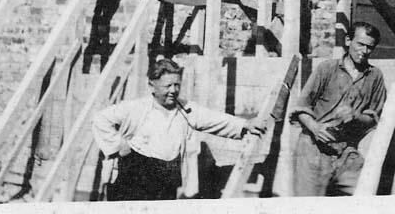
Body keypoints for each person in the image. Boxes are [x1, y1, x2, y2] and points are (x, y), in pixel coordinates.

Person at [92, 58, 265, 201]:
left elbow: (213, 119)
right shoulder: (135, 108)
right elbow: (100, 119)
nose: (173, 91)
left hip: (167, 180)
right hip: (135, 177)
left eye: (177, 85)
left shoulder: (186, 110)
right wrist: (119, 145)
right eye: (168, 86)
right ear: (152, 86)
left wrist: (244, 125)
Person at [291, 22, 387, 196]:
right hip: (313, 149)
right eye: (360, 44)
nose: (364, 51)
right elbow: (301, 108)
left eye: (369, 47)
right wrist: (315, 128)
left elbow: (373, 119)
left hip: (346, 153)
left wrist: (355, 116)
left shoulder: (375, 76)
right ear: (349, 41)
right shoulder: (326, 69)